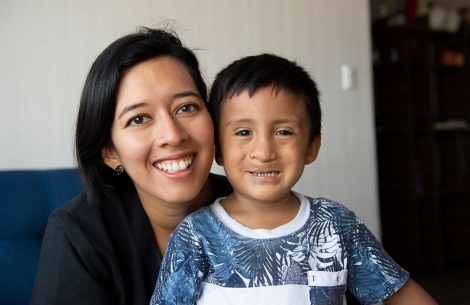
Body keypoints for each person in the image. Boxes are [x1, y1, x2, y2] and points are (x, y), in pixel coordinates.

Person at [150, 54, 438, 305]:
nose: (263, 153)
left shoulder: (335, 224)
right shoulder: (196, 235)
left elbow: (401, 294)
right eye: (243, 132)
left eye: (284, 132)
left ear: (312, 147)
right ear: (219, 150)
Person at [30, 27, 233, 305]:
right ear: (111, 153)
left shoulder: (255, 204)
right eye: (139, 119)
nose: (172, 135)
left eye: (186, 107)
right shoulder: (79, 233)